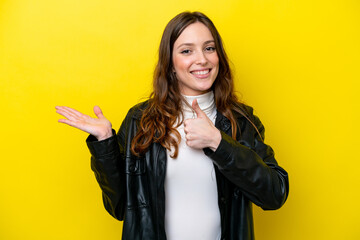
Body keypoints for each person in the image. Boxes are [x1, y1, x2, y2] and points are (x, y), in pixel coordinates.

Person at [56, 11, 289, 240]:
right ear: (170, 65)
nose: (202, 59)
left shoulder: (241, 120)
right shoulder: (141, 120)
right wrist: (105, 142)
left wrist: (218, 142)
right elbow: (119, 208)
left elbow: (274, 194)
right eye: (187, 51)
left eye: (209, 48)